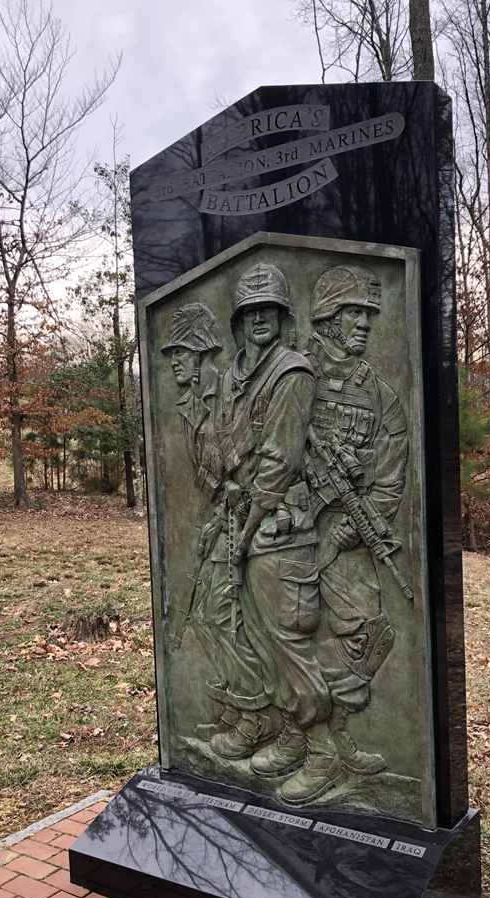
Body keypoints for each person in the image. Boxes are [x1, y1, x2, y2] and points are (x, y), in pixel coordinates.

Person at [216, 262, 342, 805]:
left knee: (291, 640)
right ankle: (286, 731)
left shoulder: (291, 373)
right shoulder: (235, 374)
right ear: (240, 320)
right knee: (259, 639)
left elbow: (282, 460)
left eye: (269, 309)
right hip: (242, 520)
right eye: (251, 311)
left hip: (279, 531)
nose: (259, 318)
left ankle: (323, 751)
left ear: (282, 317)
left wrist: (247, 528)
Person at [303, 265, 408, 774]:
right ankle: (308, 747)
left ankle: (333, 735)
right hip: (289, 530)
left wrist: (356, 527)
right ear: (327, 317)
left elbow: (390, 478)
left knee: (372, 633)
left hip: (347, 538)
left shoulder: (380, 396)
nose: (365, 323)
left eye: (368, 313)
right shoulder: (292, 377)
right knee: (286, 633)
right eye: (353, 312)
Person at [162, 302, 271, 759]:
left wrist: (235, 490)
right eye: (170, 355)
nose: (174, 362)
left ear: (203, 351)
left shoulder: (230, 393)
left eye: (181, 353)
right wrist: (218, 492)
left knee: (218, 613)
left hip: (252, 518)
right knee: (208, 613)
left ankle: (257, 714)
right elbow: (206, 474)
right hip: (221, 517)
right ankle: (235, 699)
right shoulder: (190, 405)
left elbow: (256, 451)